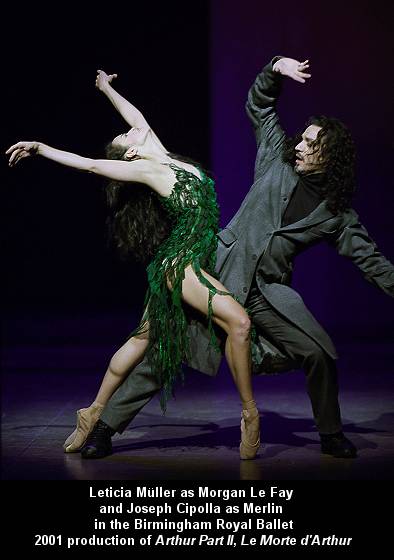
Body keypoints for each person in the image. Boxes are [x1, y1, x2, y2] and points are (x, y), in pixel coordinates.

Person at [76, 56, 394, 461]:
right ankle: (105, 427)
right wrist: (276, 67)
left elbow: (372, 262)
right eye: (301, 138)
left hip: (267, 292)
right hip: (220, 271)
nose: (299, 145)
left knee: (320, 352)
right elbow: (260, 105)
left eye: (310, 144)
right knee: (166, 350)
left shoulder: (336, 215)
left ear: (328, 156)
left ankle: (330, 433)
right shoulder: (276, 159)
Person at [6, 70, 261, 461]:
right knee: (239, 323)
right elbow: (90, 165)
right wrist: (41, 147)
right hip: (181, 264)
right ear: (128, 153)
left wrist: (106, 88)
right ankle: (250, 413)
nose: (132, 130)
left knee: (141, 340)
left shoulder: (163, 155)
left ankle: (91, 412)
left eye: (130, 130)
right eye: (125, 136)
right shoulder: (145, 168)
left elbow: (135, 115)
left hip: (176, 261)